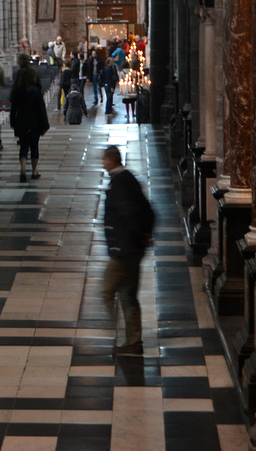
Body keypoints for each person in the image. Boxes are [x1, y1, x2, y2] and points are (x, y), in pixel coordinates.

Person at [101, 146, 154, 356]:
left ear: (112, 160)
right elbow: (147, 210)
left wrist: (125, 244)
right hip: (130, 248)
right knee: (126, 293)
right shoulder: (127, 179)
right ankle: (132, 340)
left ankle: (123, 334)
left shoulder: (121, 182)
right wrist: (145, 236)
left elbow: (130, 214)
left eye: (104, 159)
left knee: (108, 289)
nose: (102, 164)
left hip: (125, 251)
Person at [10, 56, 50, 182]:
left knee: (23, 147)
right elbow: (41, 109)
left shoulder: (17, 91)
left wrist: (13, 122)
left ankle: (22, 170)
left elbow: (13, 109)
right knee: (34, 147)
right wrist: (45, 125)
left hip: (21, 121)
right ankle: (34, 171)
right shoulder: (36, 92)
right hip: (34, 123)